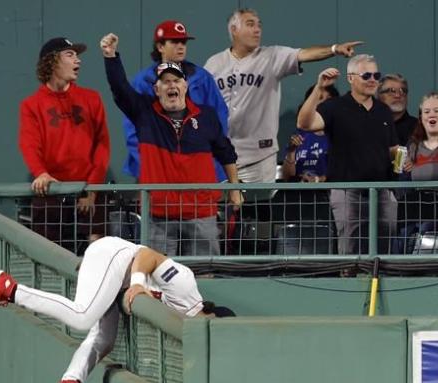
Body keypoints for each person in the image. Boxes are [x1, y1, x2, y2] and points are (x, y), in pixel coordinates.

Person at [0, 236, 234, 383]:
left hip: (117, 278)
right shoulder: (186, 288)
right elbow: (146, 254)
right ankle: (10, 290)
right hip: (115, 257)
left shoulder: (185, 324)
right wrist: (139, 282)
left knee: (104, 338)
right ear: (210, 314)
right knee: (82, 316)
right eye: (213, 327)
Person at [100, 33, 242, 256]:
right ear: (156, 90)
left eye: (176, 81)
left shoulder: (206, 116)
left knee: (204, 275)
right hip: (159, 215)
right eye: (165, 82)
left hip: (201, 212)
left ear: (185, 86)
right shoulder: (144, 113)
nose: (171, 86)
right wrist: (110, 57)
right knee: (159, 277)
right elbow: (120, 89)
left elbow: (226, 153)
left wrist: (234, 188)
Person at [204, 8, 362, 184]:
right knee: (222, 207)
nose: (257, 30)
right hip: (221, 155)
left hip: (259, 155)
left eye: (259, 25)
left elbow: (304, 54)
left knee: (258, 208)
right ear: (234, 30)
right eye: (250, 24)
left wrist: (334, 49)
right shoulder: (214, 63)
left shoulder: (271, 56)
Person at [297, 54, 399, 259]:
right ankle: (350, 283)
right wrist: (319, 88)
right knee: (350, 248)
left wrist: (400, 163)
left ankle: (384, 284)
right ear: (351, 78)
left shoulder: (383, 111)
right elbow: (304, 123)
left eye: (376, 75)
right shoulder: (335, 107)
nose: (372, 80)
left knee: (386, 245)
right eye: (366, 75)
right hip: (347, 190)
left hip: (382, 189)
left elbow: (393, 148)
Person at [18, 37, 110, 254]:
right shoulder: (32, 105)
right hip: (52, 188)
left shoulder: (91, 98)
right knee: (47, 248)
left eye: (77, 55)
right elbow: (29, 144)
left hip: (87, 188)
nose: (78, 60)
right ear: (52, 62)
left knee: (98, 246)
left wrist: (93, 190)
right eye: (70, 55)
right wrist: (40, 173)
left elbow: (102, 145)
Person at [123, 20, 229, 182]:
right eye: (174, 42)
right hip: (157, 168)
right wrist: (152, 165)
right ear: (160, 47)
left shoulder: (202, 78)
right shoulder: (143, 82)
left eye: (183, 42)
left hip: (197, 165)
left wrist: (208, 160)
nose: (181, 46)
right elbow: (133, 130)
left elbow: (219, 120)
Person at [393, 93, 438, 253]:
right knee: (401, 232)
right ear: (421, 117)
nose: (432, 115)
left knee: (425, 228)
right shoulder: (411, 145)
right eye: (427, 112)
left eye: (437, 110)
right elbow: (398, 179)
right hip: (414, 207)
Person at [282, 84, 339, 183]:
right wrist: (291, 152)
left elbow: (344, 172)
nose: (324, 102)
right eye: (319, 98)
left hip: (328, 194)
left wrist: (318, 180)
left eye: (329, 99)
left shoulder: (339, 136)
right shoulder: (299, 136)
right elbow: (287, 178)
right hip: (300, 194)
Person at [377, 74, 418, 146]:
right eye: (391, 91)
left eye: (403, 91)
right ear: (379, 95)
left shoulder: (419, 128)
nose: (398, 95)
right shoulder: (368, 125)